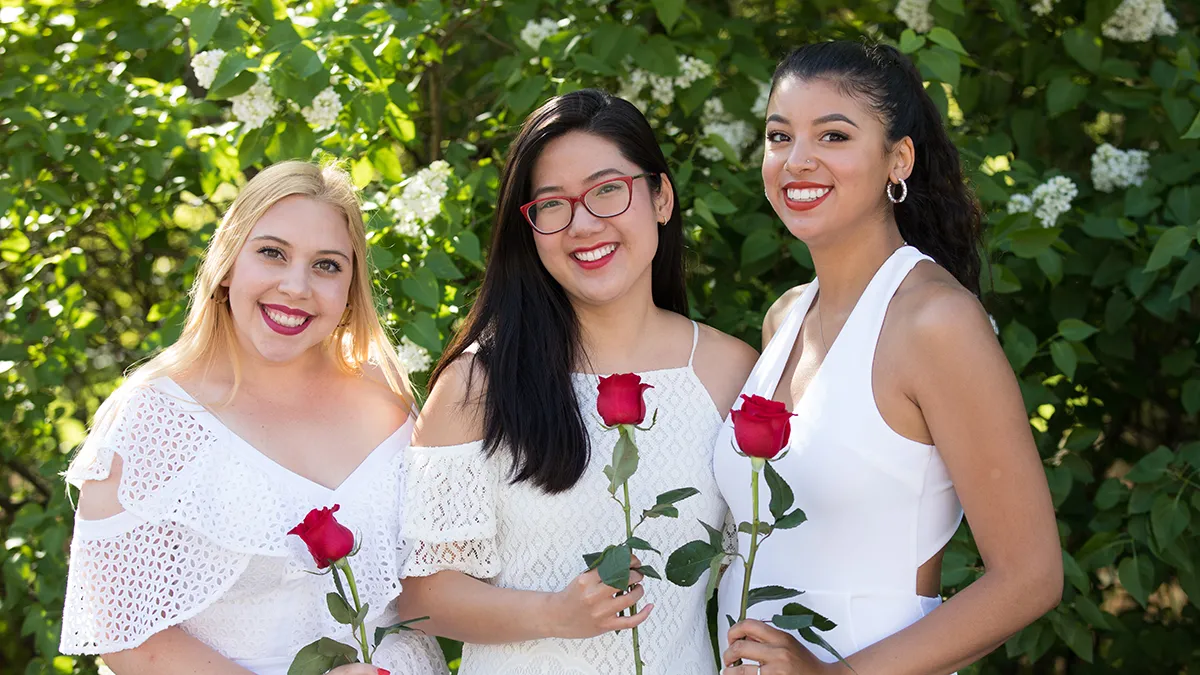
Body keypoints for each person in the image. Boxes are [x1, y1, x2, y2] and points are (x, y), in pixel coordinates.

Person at [716, 41, 1063, 674]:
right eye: (779, 135)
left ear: (897, 158)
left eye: (834, 136)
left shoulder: (935, 322)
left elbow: (1031, 577)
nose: (797, 161)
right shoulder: (786, 317)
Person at [394, 89, 758, 675]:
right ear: (530, 228)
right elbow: (421, 598)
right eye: (553, 205)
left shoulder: (731, 373)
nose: (583, 224)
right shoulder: (477, 385)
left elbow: (762, 567)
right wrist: (555, 614)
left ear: (661, 197)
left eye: (608, 190)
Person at [59, 160, 447, 675]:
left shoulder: (385, 394)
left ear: (351, 286)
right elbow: (131, 638)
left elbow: (434, 583)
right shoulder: (156, 416)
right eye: (271, 253)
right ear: (226, 264)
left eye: (327, 265)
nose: (295, 285)